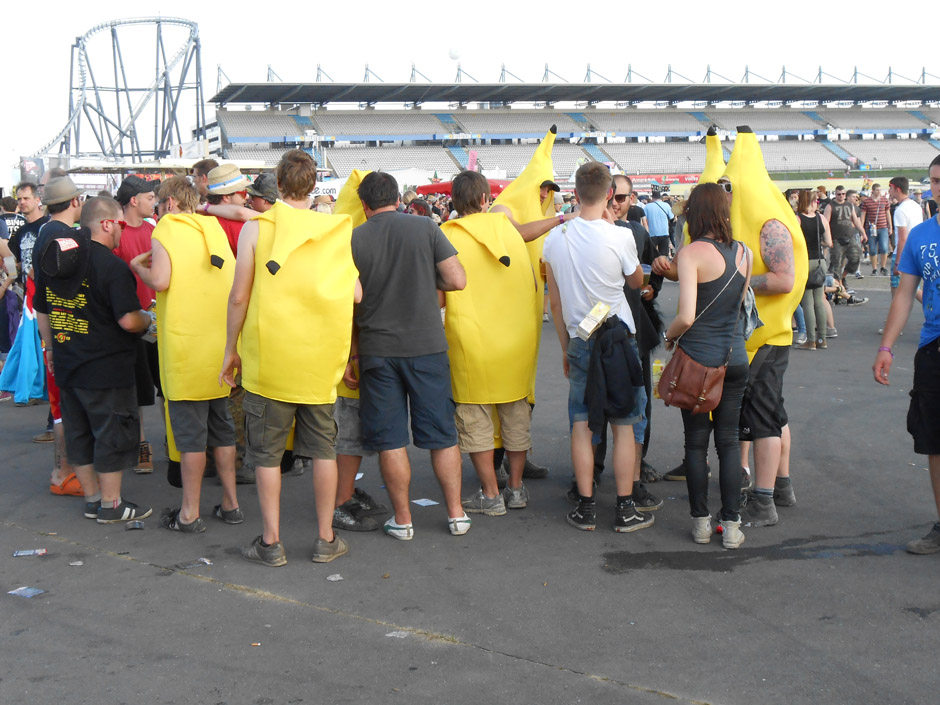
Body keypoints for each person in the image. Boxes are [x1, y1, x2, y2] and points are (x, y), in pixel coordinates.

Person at [221, 149, 358, 566]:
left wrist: (231, 348)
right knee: (323, 452)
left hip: (270, 360)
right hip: (319, 362)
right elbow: (356, 294)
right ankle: (325, 537)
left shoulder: (257, 229)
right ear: (313, 185)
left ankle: (271, 542)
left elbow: (239, 296)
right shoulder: (335, 230)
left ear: (278, 186)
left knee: (266, 455)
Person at [342, 171, 471, 540]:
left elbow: (350, 302)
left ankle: (403, 519)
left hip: (377, 349)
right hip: (427, 346)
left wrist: (353, 353)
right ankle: (456, 513)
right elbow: (457, 279)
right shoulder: (426, 228)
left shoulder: (353, 239)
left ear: (364, 205)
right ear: (398, 198)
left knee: (391, 439)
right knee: (442, 435)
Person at [543, 162, 652, 533]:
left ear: (574, 193)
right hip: (619, 337)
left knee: (581, 422)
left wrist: (564, 347)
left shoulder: (554, 239)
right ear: (609, 194)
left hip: (580, 338)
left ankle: (586, 506)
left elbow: (554, 303)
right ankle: (624, 508)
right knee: (624, 423)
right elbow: (635, 281)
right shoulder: (619, 236)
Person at [130, 176, 240, 533]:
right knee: (221, 430)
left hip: (185, 349)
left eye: (161, 204)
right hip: (219, 345)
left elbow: (160, 280)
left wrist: (137, 267)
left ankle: (189, 512)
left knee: (191, 437)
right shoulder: (213, 229)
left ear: (171, 203)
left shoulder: (168, 229)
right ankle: (231, 503)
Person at [33, 196, 153, 523]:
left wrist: (52, 349)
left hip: (68, 362)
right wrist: (148, 319)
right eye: (120, 225)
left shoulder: (56, 259)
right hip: (107, 368)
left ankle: (93, 499)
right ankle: (112, 506)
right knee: (111, 433)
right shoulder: (112, 267)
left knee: (80, 434)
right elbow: (129, 321)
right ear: (106, 223)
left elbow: (41, 308)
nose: (122, 233)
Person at [656, 183, 751, 548]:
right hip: (735, 357)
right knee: (728, 442)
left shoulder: (693, 251)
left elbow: (687, 315)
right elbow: (737, 306)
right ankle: (733, 524)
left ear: (694, 213)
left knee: (695, 444)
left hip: (698, 361)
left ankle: (700, 521)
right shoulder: (744, 252)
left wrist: (669, 335)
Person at [441, 171, 539, 516]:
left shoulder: (446, 235)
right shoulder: (508, 231)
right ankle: (516, 488)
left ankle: (490, 493)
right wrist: (561, 217)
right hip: (516, 342)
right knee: (515, 416)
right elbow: (530, 247)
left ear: (454, 201)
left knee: (475, 418)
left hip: (470, 342)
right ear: (486, 199)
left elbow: (440, 295)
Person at [874, 154, 940, 555]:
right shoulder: (921, 236)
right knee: (935, 441)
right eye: (934, 180)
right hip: (933, 349)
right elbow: (903, 295)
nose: (939, 187)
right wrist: (886, 347)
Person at [113, 175, 160, 473]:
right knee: (137, 390)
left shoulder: (156, 228)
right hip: (132, 322)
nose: (154, 200)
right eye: (150, 196)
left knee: (168, 387)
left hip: (160, 321)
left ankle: (176, 443)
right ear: (134, 200)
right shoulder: (116, 233)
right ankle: (142, 444)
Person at [794, 189, 833, 351]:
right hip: (819, 262)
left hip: (804, 261)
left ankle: (810, 340)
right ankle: (822, 338)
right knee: (819, 300)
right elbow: (829, 242)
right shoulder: (821, 218)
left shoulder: (797, 219)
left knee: (807, 302)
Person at [201, 164, 252, 254]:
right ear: (226, 197)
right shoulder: (239, 226)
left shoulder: (201, 216)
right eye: (243, 192)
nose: (247, 197)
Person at [823, 186, 867, 287]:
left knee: (856, 257)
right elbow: (825, 223)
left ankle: (843, 277)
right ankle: (838, 288)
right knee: (837, 264)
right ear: (835, 194)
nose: (841, 196)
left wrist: (863, 232)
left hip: (849, 237)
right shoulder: (830, 206)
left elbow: (856, 220)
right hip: (836, 239)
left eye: (843, 194)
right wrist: (828, 239)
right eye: (839, 194)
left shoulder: (849, 205)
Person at [888, 176, 923, 297]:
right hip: (915, 251)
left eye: (890, 188)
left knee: (896, 289)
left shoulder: (900, 210)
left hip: (903, 253)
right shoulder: (915, 206)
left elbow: (902, 238)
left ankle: (895, 316)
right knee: (913, 288)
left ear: (897, 189)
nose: (889, 191)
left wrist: (898, 262)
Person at [861, 183, 893, 276]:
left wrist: (890, 226)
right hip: (871, 228)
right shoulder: (867, 202)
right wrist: (862, 229)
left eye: (880, 190)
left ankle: (883, 267)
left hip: (883, 227)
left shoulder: (884, 200)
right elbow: (863, 215)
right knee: (873, 249)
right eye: (877, 190)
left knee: (884, 248)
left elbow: (888, 214)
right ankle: (874, 268)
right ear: (873, 191)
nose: (879, 192)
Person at [644, 190, 676, 257]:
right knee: (664, 254)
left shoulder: (647, 206)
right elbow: (672, 217)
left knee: (652, 254)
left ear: (652, 198)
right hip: (664, 232)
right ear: (660, 197)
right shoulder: (666, 205)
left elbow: (644, 220)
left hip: (652, 233)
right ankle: (663, 266)